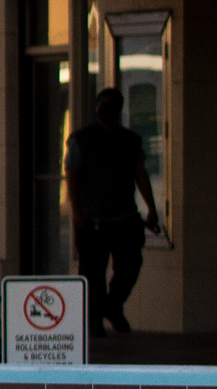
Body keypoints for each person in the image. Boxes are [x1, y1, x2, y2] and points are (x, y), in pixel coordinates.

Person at [66, 87, 162, 336]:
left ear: (119, 109)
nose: (103, 108)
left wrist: (151, 208)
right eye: (101, 103)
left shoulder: (130, 140)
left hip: (124, 217)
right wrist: (76, 212)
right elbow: (72, 176)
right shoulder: (81, 139)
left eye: (109, 104)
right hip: (91, 219)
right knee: (92, 272)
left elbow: (140, 174)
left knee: (130, 265)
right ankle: (94, 321)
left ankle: (112, 305)